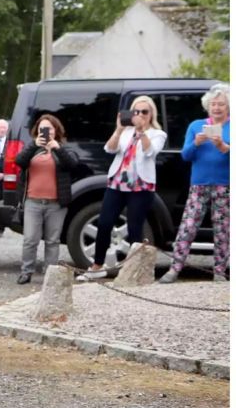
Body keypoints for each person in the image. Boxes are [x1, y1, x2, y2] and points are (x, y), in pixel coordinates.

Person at [79, 96, 167, 280]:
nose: (140, 115)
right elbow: (110, 149)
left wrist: (142, 132)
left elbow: (150, 152)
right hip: (118, 183)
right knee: (104, 223)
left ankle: (132, 270)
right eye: (137, 111)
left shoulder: (158, 134)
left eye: (145, 111)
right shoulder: (126, 131)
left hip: (141, 186)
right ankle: (97, 265)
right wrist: (119, 130)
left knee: (135, 228)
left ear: (151, 114)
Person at [160, 84, 230, 283]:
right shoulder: (196, 126)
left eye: (221, 104)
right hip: (199, 184)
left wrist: (224, 147)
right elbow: (185, 155)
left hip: (225, 185)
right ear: (207, 106)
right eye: (213, 104)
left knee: (223, 229)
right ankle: (174, 269)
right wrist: (196, 143)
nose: (217, 108)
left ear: (228, 106)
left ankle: (219, 272)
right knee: (188, 226)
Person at [14, 114, 78, 284]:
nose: (46, 132)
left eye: (49, 128)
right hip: (33, 201)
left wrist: (57, 148)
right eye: (43, 128)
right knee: (30, 239)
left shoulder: (64, 148)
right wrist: (33, 146)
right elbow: (19, 161)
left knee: (52, 241)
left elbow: (73, 165)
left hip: (56, 203)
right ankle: (26, 271)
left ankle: (50, 273)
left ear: (55, 130)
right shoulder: (32, 147)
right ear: (37, 130)